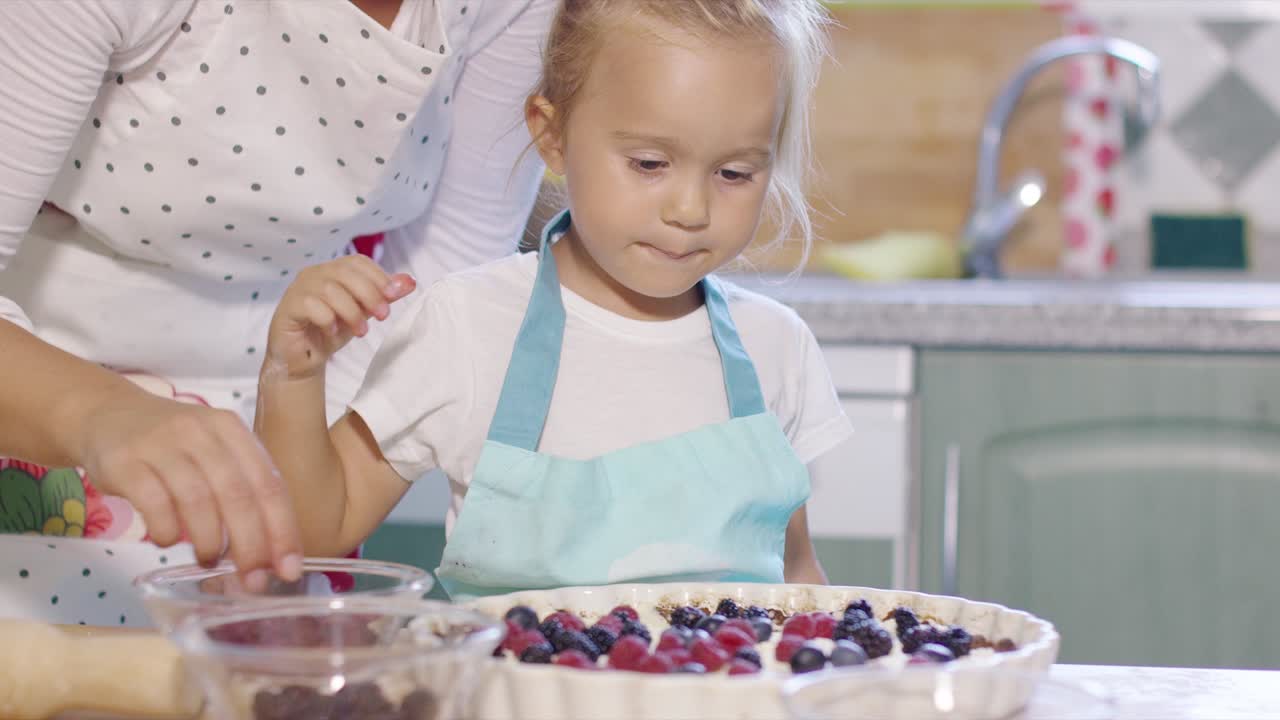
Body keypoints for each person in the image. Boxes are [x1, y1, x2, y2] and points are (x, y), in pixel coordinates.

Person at [257, 0, 850, 598]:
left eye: (734, 173)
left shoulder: (777, 346)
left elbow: (796, 578)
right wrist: (294, 376)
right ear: (552, 135)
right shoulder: (465, 325)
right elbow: (316, 531)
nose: (690, 209)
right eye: (649, 163)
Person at [0, 0, 556, 603]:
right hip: (35, 390)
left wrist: (305, 471)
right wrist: (96, 412)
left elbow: (448, 256)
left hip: (304, 395)